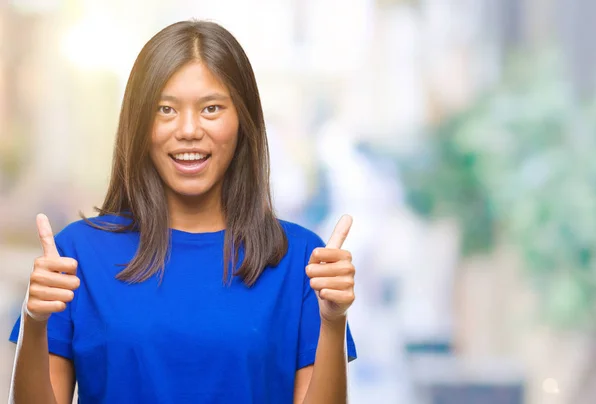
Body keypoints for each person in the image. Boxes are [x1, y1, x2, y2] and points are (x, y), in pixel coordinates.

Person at [8, 20, 357, 404]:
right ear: (139, 123)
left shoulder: (301, 259)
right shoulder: (74, 256)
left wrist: (333, 322)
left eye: (211, 108)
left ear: (244, 120)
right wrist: (35, 322)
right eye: (165, 109)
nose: (189, 129)